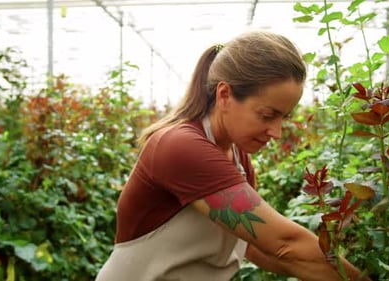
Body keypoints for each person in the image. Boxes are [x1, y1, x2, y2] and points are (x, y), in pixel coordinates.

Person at [95, 30, 369, 281]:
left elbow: (255, 244)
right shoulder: (180, 146)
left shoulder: (236, 156)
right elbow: (284, 243)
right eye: (267, 115)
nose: (276, 132)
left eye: (283, 117)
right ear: (224, 94)